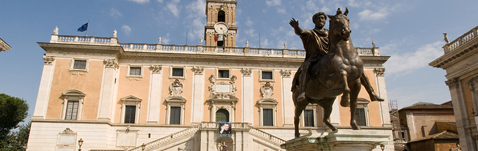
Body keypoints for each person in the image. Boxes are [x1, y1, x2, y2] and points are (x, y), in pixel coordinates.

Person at [290, 12, 384, 102]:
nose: (321, 20)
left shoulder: (329, 32)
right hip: (315, 58)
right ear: (314, 21)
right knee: (306, 66)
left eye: (323, 18)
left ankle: (371, 92)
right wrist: (296, 27)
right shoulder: (311, 33)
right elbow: (301, 32)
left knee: (358, 68)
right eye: (318, 18)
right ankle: (302, 91)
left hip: (330, 57)